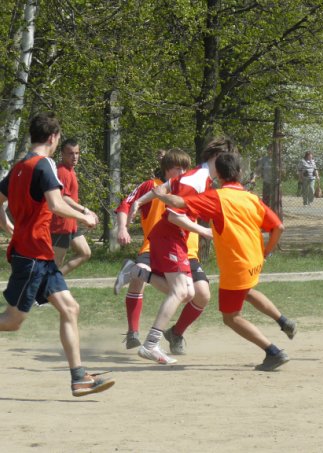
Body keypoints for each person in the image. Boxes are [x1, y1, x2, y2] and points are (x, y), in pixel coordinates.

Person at [0, 112, 114, 396]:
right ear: (53, 138)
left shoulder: (19, 167)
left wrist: (9, 227)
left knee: (70, 308)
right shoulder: (45, 164)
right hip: (32, 255)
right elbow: (55, 204)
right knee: (12, 321)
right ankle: (78, 377)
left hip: (40, 254)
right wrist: (85, 217)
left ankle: (79, 378)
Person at [156, 148, 294, 371]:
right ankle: (283, 321)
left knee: (231, 317)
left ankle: (273, 352)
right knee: (246, 291)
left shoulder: (216, 197)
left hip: (236, 265)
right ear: (239, 172)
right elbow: (278, 227)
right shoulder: (252, 198)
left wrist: (160, 194)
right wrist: (267, 251)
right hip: (255, 260)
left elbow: (180, 203)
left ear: (218, 175)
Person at [114, 148, 210, 354]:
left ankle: (176, 333)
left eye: (185, 168)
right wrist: (122, 228)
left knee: (201, 295)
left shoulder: (191, 188)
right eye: (177, 168)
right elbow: (126, 204)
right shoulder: (152, 187)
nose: (182, 172)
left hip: (187, 251)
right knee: (141, 277)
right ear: (166, 169)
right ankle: (133, 332)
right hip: (154, 246)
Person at [50, 138, 97, 275]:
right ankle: (50, 283)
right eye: (70, 153)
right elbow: (63, 198)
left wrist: (84, 214)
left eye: (77, 153)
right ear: (62, 154)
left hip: (70, 223)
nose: (74, 156)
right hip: (60, 224)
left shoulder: (70, 170)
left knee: (85, 253)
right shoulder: (62, 172)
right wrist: (85, 211)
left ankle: (56, 280)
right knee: (55, 264)